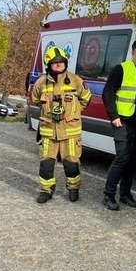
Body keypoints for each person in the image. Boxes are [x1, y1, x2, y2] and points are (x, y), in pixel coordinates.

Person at [31, 45, 92, 203]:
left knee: (71, 164)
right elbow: (36, 100)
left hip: (70, 131)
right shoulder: (41, 83)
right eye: (55, 62)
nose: (58, 65)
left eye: (61, 62)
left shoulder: (75, 80)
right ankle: (46, 191)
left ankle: (73, 189)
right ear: (48, 64)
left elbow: (86, 98)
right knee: (46, 164)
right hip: (49, 132)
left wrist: (74, 113)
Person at [102, 40, 136, 210]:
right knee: (122, 158)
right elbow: (108, 93)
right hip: (123, 122)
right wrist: (113, 116)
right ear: (133, 53)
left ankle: (125, 194)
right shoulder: (121, 68)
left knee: (132, 160)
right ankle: (108, 195)